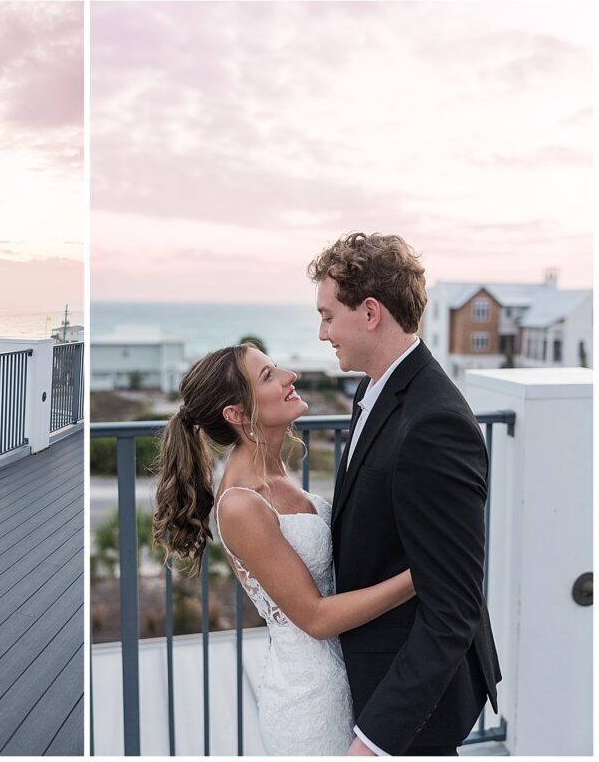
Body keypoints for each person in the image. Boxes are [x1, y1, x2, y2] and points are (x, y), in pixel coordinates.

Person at [153, 342, 415, 755]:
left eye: (276, 369)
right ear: (237, 415)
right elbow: (314, 617)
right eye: (269, 376)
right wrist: (419, 576)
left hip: (354, 682)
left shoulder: (276, 470)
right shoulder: (241, 502)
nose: (289, 377)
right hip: (311, 706)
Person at [310, 232, 500, 756]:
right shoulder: (374, 388)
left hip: (414, 705)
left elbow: (453, 606)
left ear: (370, 312)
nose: (322, 332)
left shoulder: (434, 422)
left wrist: (376, 741)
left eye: (328, 316)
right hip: (372, 674)